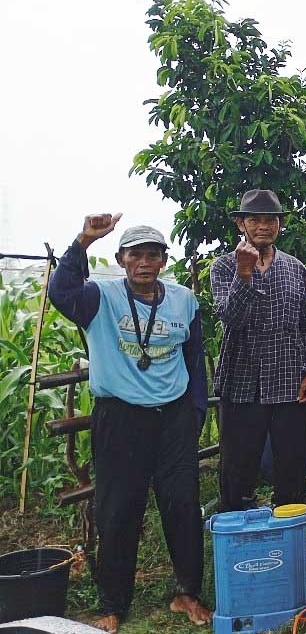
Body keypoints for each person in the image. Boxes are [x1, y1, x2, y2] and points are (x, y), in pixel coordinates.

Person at [48, 214, 210, 632]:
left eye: (152, 255)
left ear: (163, 261)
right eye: (135, 254)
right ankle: (113, 604)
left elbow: (194, 361)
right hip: (120, 417)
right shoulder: (99, 297)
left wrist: (193, 414)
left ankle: (187, 593)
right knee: (118, 510)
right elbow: (61, 292)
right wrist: (83, 240)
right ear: (121, 259)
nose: (144, 262)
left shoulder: (183, 301)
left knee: (183, 505)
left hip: (173, 417)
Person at [211, 190, 306, 511]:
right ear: (240, 224)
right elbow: (231, 317)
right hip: (241, 383)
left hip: (288, 381)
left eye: (270, 219)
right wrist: (244, 273)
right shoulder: (223, 267)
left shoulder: (295, 268)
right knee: (237, 467)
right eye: (254, 219)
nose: (262, 226)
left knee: (291, 466)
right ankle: (237, 530)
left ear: (280, 224)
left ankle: (289, 527)